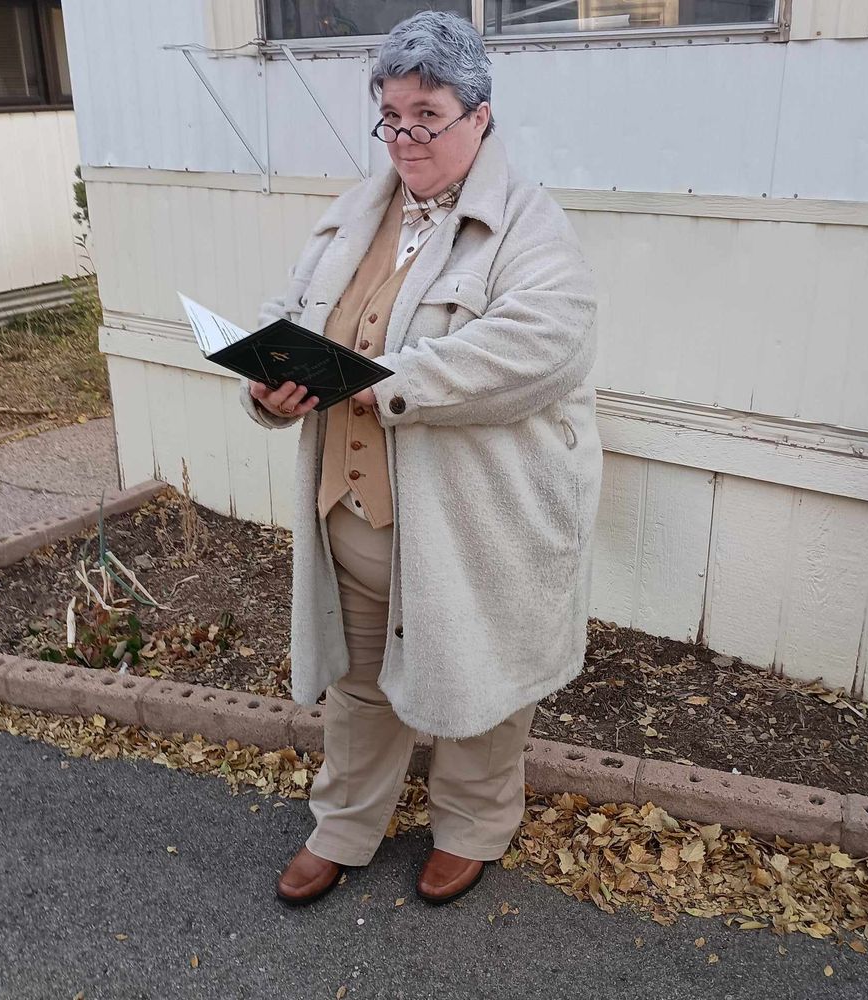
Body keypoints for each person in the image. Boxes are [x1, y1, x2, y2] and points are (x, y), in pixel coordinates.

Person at [240, 10, 602, 906]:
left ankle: (473, 825)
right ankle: (346, 823)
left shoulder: (531, 226)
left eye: (426, 114)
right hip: (353, 516)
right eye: (390, 115)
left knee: (482, 680)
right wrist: (267, 386)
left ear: (479, 115)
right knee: (361, 687)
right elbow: (297, 314)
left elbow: (538, 348)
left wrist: (380, 383)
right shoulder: (353, 217)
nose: (403, 137)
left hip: (478, 525)